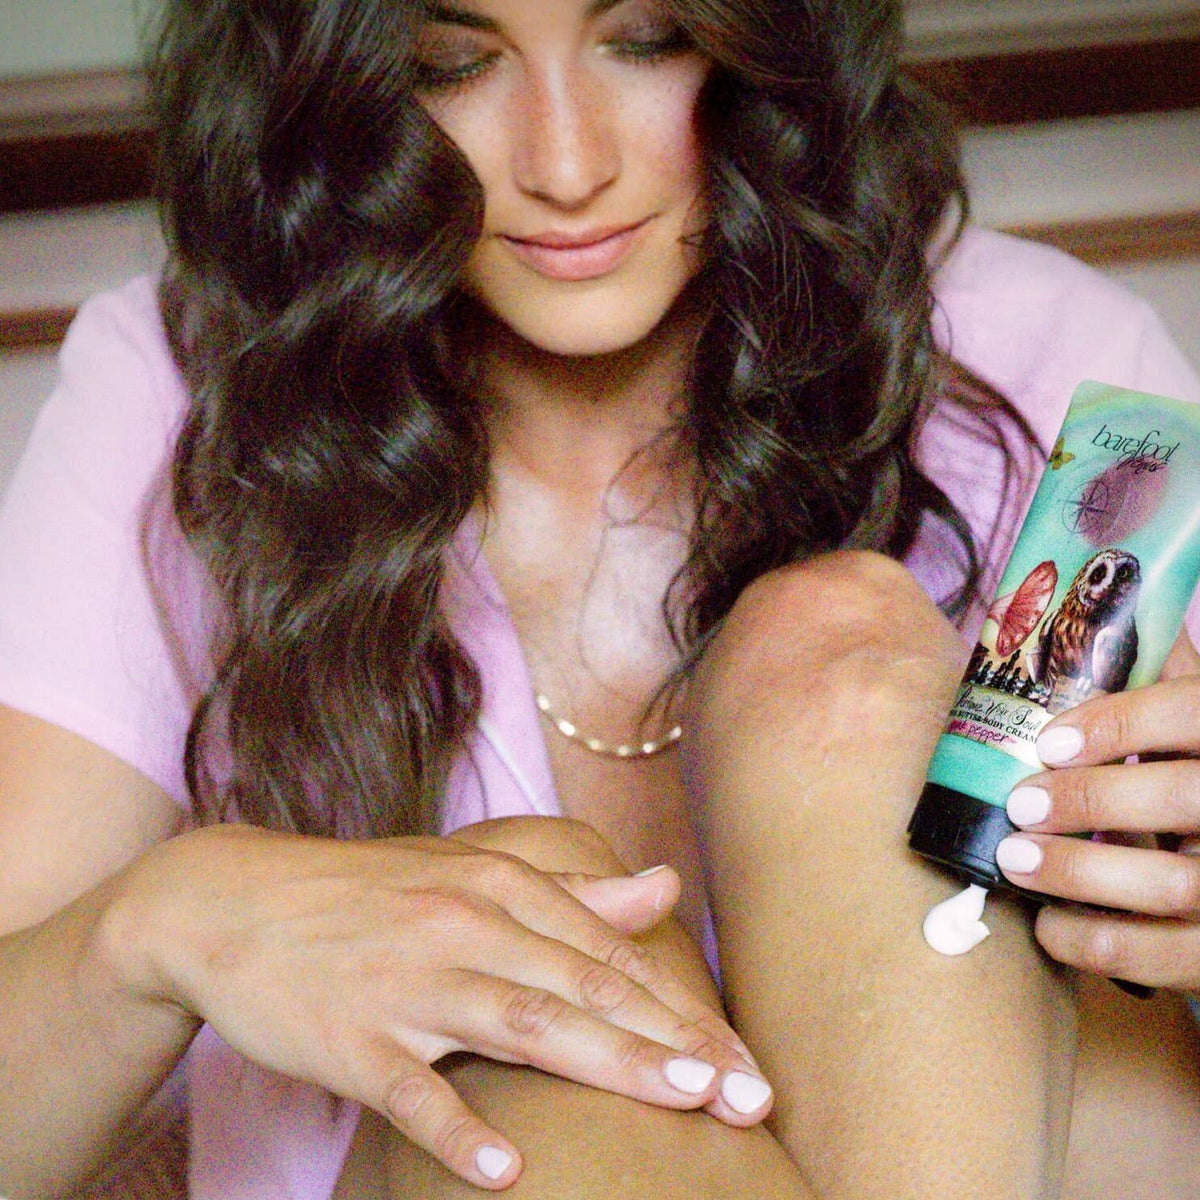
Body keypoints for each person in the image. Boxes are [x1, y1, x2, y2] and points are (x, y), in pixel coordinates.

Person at [1, 0, 1199, 1196]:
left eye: (646, 40)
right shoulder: (191, 402)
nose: (565, 166)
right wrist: (159, 928)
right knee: (519, 963)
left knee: (836, 649)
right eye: (453, 62)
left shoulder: (1052, 375)